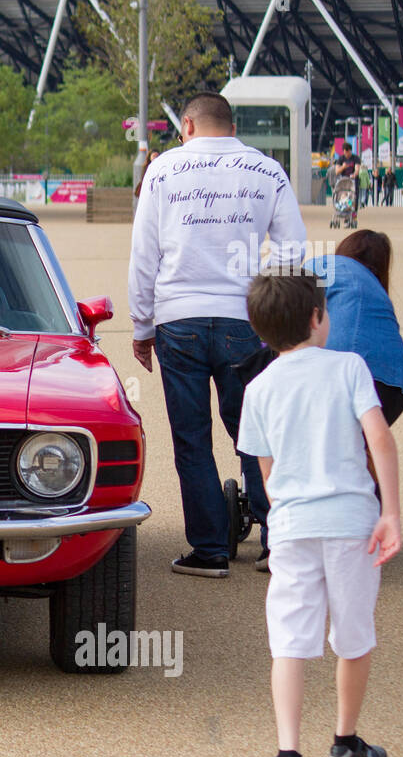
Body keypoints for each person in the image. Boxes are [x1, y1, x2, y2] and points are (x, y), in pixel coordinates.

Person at [128, 91, 307, 577]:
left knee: (191, 439)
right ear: (231, 127)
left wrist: (142, 325)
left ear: (187, 125)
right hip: (245, 319)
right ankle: (275, 542)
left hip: (179, 318)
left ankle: (209, 550)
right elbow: (294, 252)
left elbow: (144, 254)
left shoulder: (163, 171)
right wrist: (273, 314)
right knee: (255, 431)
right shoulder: (268, 170)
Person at [238, 267, 401, 757]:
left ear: (261, 331)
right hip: (352, 520)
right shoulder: (349, 367)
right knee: (353, 635)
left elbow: (265, 474)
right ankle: (345, 742)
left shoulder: (258, 388)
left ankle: (287, 756)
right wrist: (391, 511)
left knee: (289, 638)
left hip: (291, 526)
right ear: (316, 317)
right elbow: (380, 439)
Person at [303, 230, 403, 426]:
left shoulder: (328, 264)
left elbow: (288, 298)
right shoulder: (378, 292)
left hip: (342, 371)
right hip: (395, 383)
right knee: (357, 451)